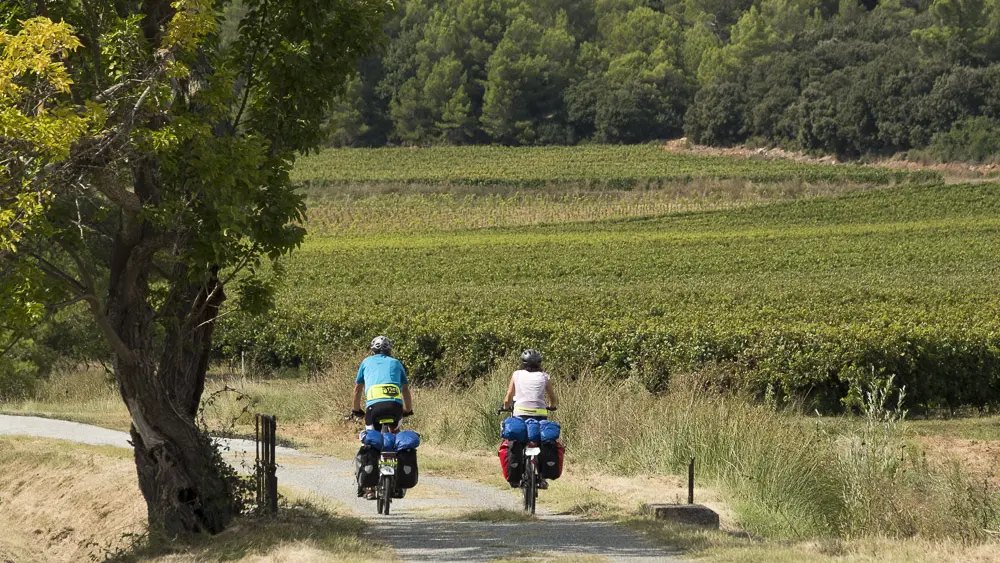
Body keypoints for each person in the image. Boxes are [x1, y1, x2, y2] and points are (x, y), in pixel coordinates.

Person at [352, 335, 413, 499]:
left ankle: (369, 488)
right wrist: (408, 409)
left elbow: (357, 389)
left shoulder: (366, 362)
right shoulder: (396, 363)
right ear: (389, 350)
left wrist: (356, 410)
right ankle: (399, 483)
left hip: (373, 409)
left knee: (371, 441)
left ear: (372, 350)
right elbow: (405, 390)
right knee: (396, 437)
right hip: (395, 407)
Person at [502, 348, 558, 421]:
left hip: (520, 413)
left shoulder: (517, 374)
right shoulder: (544, 376)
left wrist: (505, 407)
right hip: (540, 414)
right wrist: (551, 406)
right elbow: (552, 397)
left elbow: (509, 395)